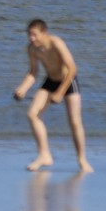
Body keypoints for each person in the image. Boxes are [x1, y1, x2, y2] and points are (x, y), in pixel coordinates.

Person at [12, 18, 92, 173]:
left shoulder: (56, 43)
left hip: (68, 81)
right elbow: (33, 72)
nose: (31, 38)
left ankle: (82, 159)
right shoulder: (32, 49)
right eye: (29, 35)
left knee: (74, 121)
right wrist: (23, 88)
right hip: (50, 80)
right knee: (32, 114)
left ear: (44, 33)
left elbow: (72, 68)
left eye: (34, 35)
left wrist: (60, 93)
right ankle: (44, 155)